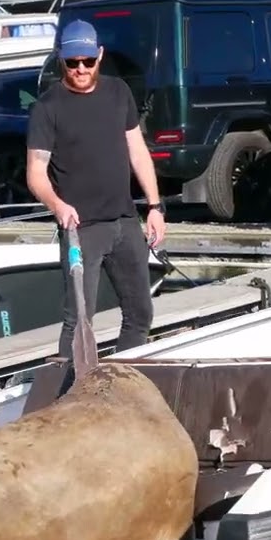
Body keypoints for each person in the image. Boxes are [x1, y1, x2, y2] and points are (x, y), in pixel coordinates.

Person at [25, 20, 166, 362]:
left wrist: (155, 206)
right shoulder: (47, 107)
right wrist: (57, 204)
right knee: (78, 322)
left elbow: (137, 151)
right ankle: (68, 396)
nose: (81, 69)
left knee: (140, 314)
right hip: (81, 229)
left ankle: (123, 382)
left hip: (125, 221)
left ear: (99, 55)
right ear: (62, 59)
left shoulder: (119, 92)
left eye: (88, 61)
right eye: (73, 62)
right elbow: (35, 174)